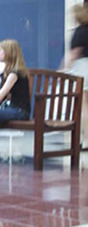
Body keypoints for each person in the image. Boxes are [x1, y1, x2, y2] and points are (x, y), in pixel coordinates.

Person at [64, 3, 88, 149]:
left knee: (83, 106)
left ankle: (86, 139)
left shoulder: (80, 31)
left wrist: (64, 69)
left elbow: (74, 54)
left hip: (83, 68)